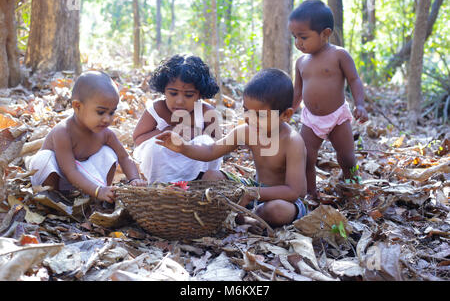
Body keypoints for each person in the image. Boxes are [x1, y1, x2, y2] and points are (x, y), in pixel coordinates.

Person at [155, 68, 308, 229]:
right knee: (211, 176)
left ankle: (243, 216)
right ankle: (241, 215)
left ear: (286, 115)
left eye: (260, 115)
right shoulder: (246, 131)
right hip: (253, 188)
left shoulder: (292, 141)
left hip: (284, 199)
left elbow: (293, 191)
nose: (250, 119)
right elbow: (211, 151)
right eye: (246, 111)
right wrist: (183, 147)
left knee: (277, 211)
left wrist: (251, 193)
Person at [288, 0, 369, 200]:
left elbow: (354, 80)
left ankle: (351, 186)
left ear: (325, 34)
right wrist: (288, 111)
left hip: (337, 117)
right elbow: (297, 92)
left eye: (303, 37)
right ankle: (311, 193)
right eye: (295, 37)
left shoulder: (339, 55)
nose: (298, 42)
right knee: (306, 157)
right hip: (311, 119)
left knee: (347, 158)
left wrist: (360, 104)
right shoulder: (300, 62)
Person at [29, 71, 146, 203]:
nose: (107, 119)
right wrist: (97, 190)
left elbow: (124, 157)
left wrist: (134, 179)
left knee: (108, 153)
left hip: (85, 181)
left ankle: (102, 194)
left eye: (111, 112)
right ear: (77, 106)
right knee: (44, 158)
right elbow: (70, 171)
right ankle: (53, 199)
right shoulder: (63, 132)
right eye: (100, 112)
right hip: (59, 177)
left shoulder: (106, 133)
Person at [132, 54, 223, 183]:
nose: (179, 101)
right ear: (163, 90)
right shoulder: (156, 109)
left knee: (206, 141)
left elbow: (219, 145)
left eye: (189, 95)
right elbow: (138, 140)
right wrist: (168, 131)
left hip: (194, 160)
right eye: (173, 93)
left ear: (200, 95)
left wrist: (194, 133)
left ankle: (198, 184)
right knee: (154, 147)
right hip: (161, 164)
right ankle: (159, 186)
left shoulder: (206, 112)